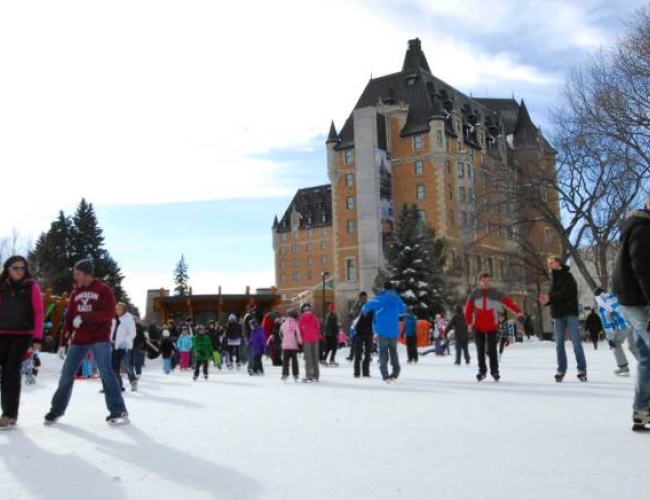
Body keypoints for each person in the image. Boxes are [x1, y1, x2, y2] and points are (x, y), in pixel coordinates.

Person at [44, 259, 129, 425]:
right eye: (75, 273)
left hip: (99, 339)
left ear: (87, 274)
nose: (75, 277)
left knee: (106, 372)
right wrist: (62, 342)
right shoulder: (75, 294)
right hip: (79, 340)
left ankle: (118, 411)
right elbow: (69, 319)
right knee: (66, 374)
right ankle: (56, 410)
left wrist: (84, 317)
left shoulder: (104, 290)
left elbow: (109, 314)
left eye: (78, 273)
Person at [612, 194, 650, 432]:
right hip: (636, 300)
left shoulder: (638, 226)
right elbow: (643, 269)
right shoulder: (643, 229)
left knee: (646, 357)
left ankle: (641, 411)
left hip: (633, 299)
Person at [0, 256, 44, 430]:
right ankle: (7, 412)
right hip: (2, 334)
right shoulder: (2, 286)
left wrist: (38, 338)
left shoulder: (31, 286)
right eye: (15, 268)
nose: (19, 271)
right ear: (8, 269)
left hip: (22, 334)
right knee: (4, 374)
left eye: (22, 268)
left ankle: (10, 414)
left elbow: (39, 313)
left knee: (11, 372)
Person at [466, 272, 524, 382]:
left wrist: (518, 312)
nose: (486, 283)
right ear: (480, 282)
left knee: (492, 350)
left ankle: (495, 372)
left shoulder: (496, 293)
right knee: (480, 350)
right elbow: (468, 309)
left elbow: (508, 302)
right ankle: (482, 371)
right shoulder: (474, 294)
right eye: (483, 281)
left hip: (492, 326)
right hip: (478, 326)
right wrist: (469, 323)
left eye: (487, 281)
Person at [539, 257, 588, 383]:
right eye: (549, 263)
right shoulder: (553, 279)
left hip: (570, 313)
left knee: (576, 342)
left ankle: (582, 369)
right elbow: (553, 296)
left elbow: (567, 292)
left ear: (558, 263)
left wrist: (550, 297)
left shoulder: (568, 276)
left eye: (552, 262)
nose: (550, 265)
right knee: (559, 344)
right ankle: (561, 370)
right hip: (557, 315)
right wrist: (546, 300)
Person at [362, 282, 407, 383]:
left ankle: (385, 375)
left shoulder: (381, 298)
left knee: (382, 352)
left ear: (384, 288)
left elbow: (369, 305)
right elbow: (403, 309)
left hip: (382, 330)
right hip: (394, 331)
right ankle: (396, 372)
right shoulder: (397, 299)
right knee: (393, 351)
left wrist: (364, 309)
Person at [594, 288, 638, 376]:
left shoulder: (604, 303)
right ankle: (646, 364)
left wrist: (610, 338)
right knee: (633, 346)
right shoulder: (613, 298)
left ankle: (623, 367)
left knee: (615, 344)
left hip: (624, 326)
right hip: (632, 323)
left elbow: (608, 324)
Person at [110, 302, 138, 392]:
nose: (118, 311)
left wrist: (125, 341)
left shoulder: (128, 319)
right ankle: (118, 385)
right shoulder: (113, 319)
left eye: (120, 309)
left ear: (124, 310)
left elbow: (133, 333)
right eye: (117, 309)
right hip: (115, 346)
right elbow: (111, 331)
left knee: (127, 365)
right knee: (114, 367)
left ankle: (133, 382)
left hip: (125, 346)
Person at [351, 294, 374, 378]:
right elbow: (352, 317)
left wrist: (367, 314)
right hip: (359, 334)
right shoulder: (356, 307)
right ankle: (356, 372)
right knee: (358, 354)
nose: (364, 299)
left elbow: (372, 317)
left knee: (368, 354)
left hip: (368, 333)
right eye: (362, 298)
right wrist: (359, 313)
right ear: (359, 298)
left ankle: (366, 372)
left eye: (365, 298)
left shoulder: (370, 306)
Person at [298, 304, 321, 382]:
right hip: (315, 339)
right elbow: (318, 328)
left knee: (308, 358)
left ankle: (309, 375)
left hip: (306, 340)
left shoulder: (301, 319)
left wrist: (300, 340)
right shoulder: (314, 318)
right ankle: (316, 375)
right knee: (315, 357)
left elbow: (299, 330)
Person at [280, 309, 302, 382]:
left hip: (285, 346)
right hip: (293, 346)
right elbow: (298, 334)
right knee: (294, 361)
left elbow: (280, 334)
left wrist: (283, 340)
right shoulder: (296, 324)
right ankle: (295, 374)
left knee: (285, 361)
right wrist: (300, 342)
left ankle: (285, 374)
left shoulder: (283, 324)